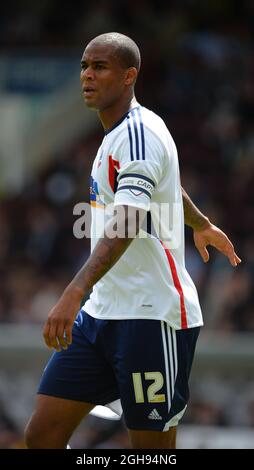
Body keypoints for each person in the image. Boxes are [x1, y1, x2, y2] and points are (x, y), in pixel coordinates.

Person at [24, 32, 241, 449]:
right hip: (102, 314)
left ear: (129, 77)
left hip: (150, 316)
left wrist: (73, 291)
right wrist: (201, 223)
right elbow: (168, 187)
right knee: (42, 435)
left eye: (100, 67)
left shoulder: (139, 133)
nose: (87, 75)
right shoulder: (116, 135)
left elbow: (126, 222)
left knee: (151, 451)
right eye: (85, 66)